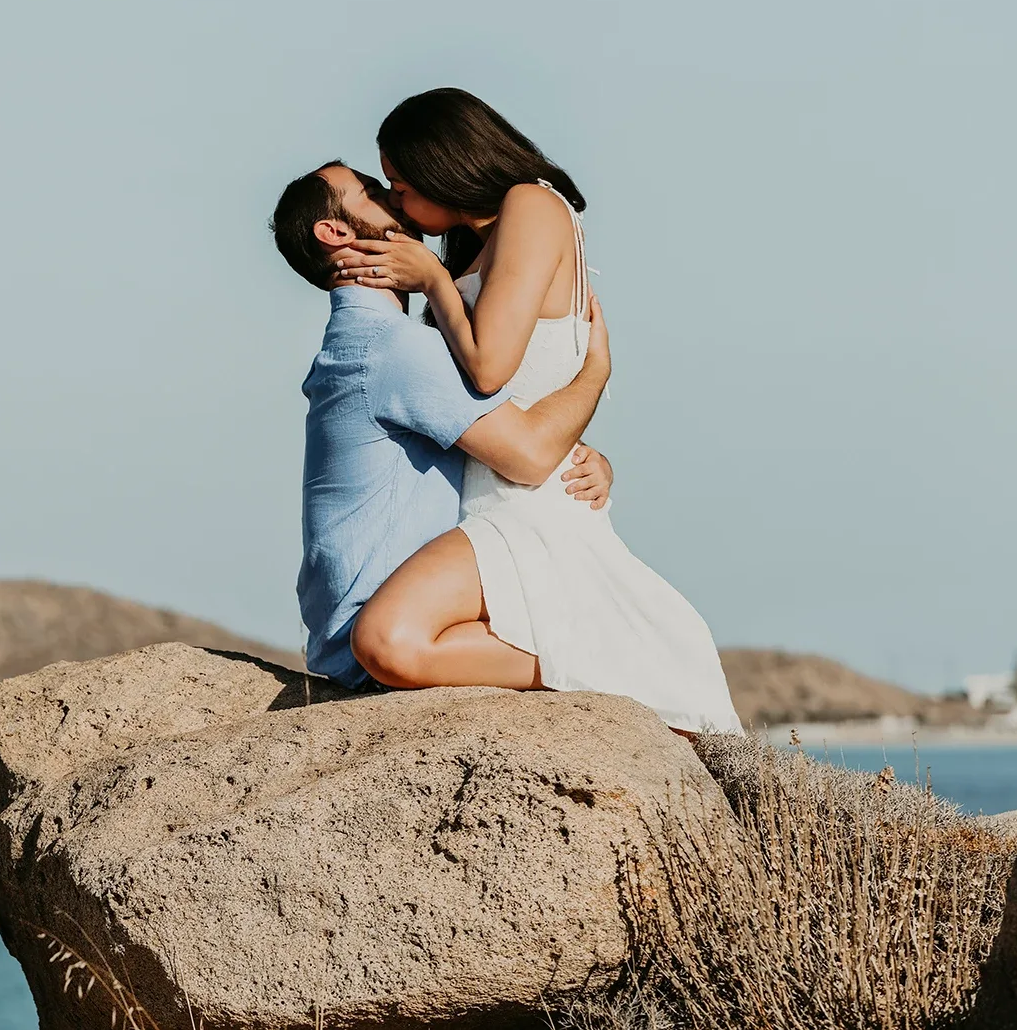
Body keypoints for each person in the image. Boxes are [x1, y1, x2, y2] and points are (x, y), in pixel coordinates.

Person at [331, 88, 742, 734]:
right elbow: (519, 385)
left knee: (389, 641)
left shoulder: (531, 203)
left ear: (446, 164)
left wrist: (433, 284)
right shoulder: (475, 243)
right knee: (384, 646)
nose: (398, 201)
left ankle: (620, 660)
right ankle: (598, 653)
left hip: (523, 506)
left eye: (402, 183)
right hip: (491, 496)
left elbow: (491, 368)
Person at [269, 160, 614, 691]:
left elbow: (504, 431)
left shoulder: (362, 344)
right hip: (393, 635)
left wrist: (589, 456)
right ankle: (600, 657)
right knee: (588, 624)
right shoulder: (392, 346)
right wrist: (595, 373)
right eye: (370, 191)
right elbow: (528, 457)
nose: (396, 196)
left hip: (364, 631)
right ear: (334, 232)